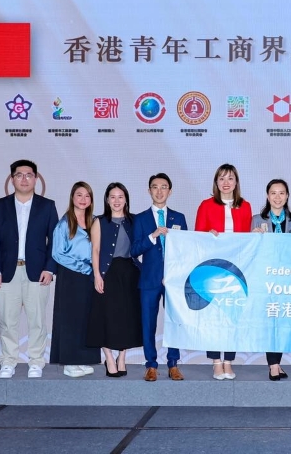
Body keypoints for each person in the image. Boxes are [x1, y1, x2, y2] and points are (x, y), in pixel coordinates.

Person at [0, 160, 59, 379]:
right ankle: (8, 361)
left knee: (37, 320)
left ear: (36, 179)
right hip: (6, 273)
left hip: (37, 273)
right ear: (12, 179)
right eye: (19, 175)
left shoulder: (47, 206)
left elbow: (54, 240)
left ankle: (36, 361)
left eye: (29, 175)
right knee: (8, 321)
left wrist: (50, 269)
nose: (24, 179)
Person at [195, 163, 253, 380]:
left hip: (236, 269)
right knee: (213, 316)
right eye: (221, 178)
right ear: (216, 182)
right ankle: (216, 362)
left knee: (232, 315)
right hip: (212, 268)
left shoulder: (245, 206)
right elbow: (197, 237)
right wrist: (208, 235)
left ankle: (228, 360)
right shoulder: (206, 205)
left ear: (236, 182)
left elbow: (247, 239)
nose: (226, 183)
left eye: (230, 178)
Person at [131, 173, 187, 382]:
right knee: (148, 323)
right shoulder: (140, 218)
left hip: (173, 280)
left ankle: (173, 364)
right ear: (149, 191)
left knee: (174, 322)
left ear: (170, 191)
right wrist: (152, 236)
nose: (159, 191)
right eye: (155, 187)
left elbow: (186, 250)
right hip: (149, 279)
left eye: (164, 187)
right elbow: (134, 250)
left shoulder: (178, 217)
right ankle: (151, 365)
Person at [88, 183, 143, 377]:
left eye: (120, 196)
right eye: (112, 197)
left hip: (130, 272)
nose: (117, 200)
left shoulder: (135, 220)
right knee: (106, 316)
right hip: (107, 273)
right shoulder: (99, 221)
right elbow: (95, 250)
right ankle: (109, 357)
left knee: (126, 317)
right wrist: (97, 275)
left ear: (126, 199)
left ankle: (122, 357)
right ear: (107, 200)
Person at [251, 179, 291, 381]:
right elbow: (250, 250)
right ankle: (273, 365)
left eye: (281, 193)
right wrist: (253, 236)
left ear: (287, 196)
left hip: (287, 280)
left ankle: (276, 363)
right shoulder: (256, 220)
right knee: (269, 321)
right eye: (273, 193)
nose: (277, 197)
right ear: (267, 196)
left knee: (282, 322)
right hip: (265, 278)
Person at [50, 182, 100, 378]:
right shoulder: (64, 223)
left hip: (90, 276)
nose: (83, 199)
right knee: (70, 318)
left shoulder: (94, 221)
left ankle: (84, 359)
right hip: (71, 276)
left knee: (87, 317)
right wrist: (84, 268)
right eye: (79, 195)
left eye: (87, 196)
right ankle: (69, 362)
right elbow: (57, 253)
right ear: (72, 197)